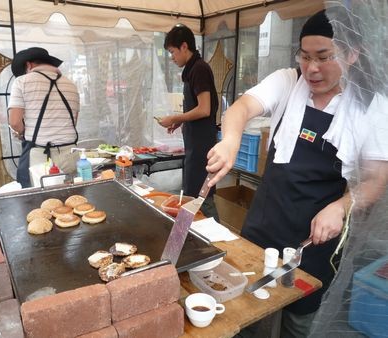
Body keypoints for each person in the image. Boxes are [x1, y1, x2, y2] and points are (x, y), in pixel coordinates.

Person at [206, 8, 388, 338]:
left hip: (315, 241)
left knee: (298, 321)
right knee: (245, 311)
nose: (311, 68)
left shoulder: (371, 106)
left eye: (324, 57)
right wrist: (231, 139)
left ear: (352, 54)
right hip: (263, 227)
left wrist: (340, 207)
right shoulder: (288, 82)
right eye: (304, 56)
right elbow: (242, 108)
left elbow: (377, 179)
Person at [160, 24, 219, 219]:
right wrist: (180, 122)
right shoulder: (192, 69)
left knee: (203, 197)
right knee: (194, 194)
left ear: (184, 47)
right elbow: (197, 109)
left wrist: (176, 117)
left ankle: (219, 238)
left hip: (202, 147)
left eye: (172, 52)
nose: (172, 57)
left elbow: (205, 109)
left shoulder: (200, 68)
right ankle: (200, 236)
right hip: (195, 143)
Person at [8, 47, 80, 188]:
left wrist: (22, 132)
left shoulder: (22, 82)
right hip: (71, 154)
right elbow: (73, 121)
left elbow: (14, 122)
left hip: (41, 157)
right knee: (71, 198)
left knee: (40, 202)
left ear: (28, 65)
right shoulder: (71, 84)